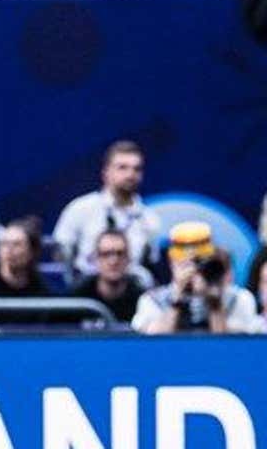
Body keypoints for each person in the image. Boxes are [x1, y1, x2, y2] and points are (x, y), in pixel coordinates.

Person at [53, 140, 160, 282]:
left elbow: (151, 265)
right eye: (122, 168)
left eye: (137, 169)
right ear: (106, 172)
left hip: (131, 292)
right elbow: (60, 255)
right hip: (85, 293)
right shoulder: (80, 208)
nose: (130, 175)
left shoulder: (150, 220)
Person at [132, 222, 262, 334]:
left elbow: (231, 350)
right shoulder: (152, 301)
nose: (195, 270)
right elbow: (153, 349)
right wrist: (177, 300)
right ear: (172, 263)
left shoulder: (239, 299)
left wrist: (215, 304)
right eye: (186, 264)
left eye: (199, 263)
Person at [72, 228, 145, 322]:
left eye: (120, 254)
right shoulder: (78, 298)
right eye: (106, 254)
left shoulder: (142, 300)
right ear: (96, 259)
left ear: (128, 259)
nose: (113, 261)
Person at [0, 216, 50, 297]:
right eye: (5, 244)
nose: (9, 250)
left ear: (32, 251)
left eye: (17, 244)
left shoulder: (40, 289)